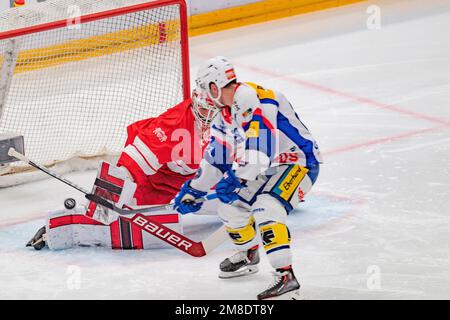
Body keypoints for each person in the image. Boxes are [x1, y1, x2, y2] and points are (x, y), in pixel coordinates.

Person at [173, 56, 322, 300]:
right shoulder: (225, 114)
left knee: (267, 206)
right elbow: (217, 157)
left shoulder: (252, 99)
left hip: (299, 163)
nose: (202, 97)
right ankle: (249, 254)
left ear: (214, 86)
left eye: (204, 90)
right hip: (268, 168)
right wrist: (194, 189)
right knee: (229, 206)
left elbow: (262, 149)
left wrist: (237, 178)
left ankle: (286, 278)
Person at [27, 89, 219, 250]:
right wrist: (104, 202)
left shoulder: (231, 118)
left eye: (214, 109)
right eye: (204, 107)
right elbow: (129, 166)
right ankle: (67, 224)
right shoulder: (173, 124)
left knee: (235, 204)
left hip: (198, 180)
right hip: (156, 184)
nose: (208, 115)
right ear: (195, 98)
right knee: (120, 218)